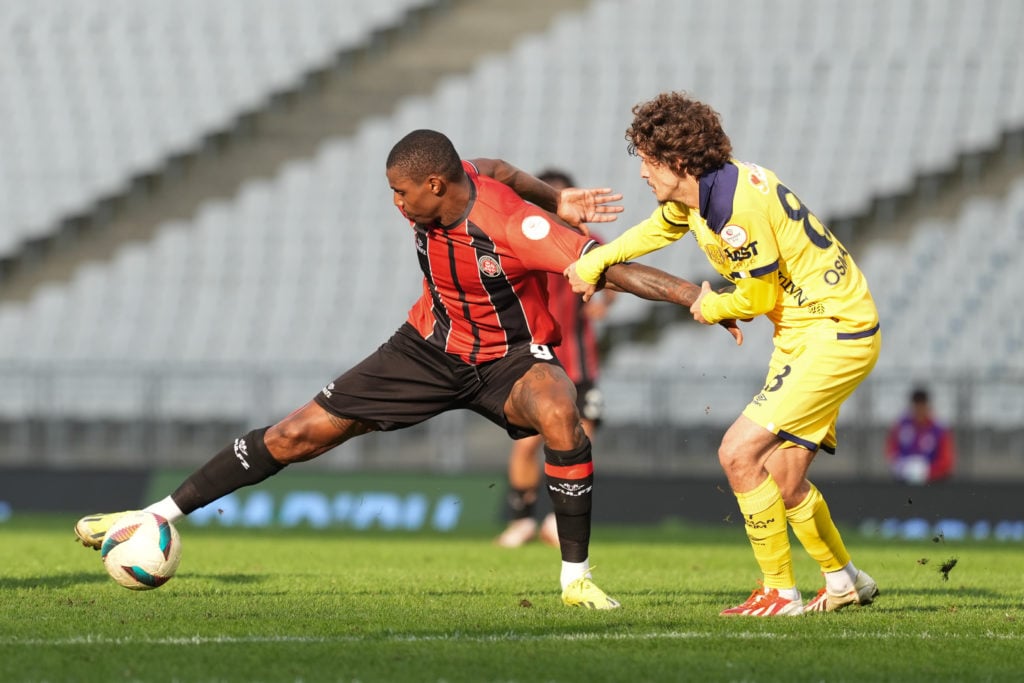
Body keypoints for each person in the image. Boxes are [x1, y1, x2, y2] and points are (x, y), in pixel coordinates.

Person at [75, 129, 739, 610]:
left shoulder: (511, 228)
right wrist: (557, 194)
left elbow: (606, 262)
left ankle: (575, 580)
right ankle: (149, 513)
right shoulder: (461, 174)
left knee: (561, 412)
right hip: (425, 346)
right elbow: (500, 164)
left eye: (400, 194)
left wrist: (693, 295)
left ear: (434, 185)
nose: (395, 205)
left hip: (508, 360)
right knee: (295, 433)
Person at [567, 92, 881, 616]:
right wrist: (600, 258)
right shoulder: (704, 193)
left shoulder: (736, 209)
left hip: (835, 333)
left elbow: (754, 300)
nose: (642, 173)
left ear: (678, 162)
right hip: (805, 333)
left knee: (738, 453)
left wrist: (710, 304)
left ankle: (779, 592)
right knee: (783, 479)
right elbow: (657, 229)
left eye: (648, 160)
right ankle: (845, 580)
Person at [495, 169, 616, 549]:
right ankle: (520, 521)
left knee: (580, 442)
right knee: (528, 444)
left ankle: (553, 520)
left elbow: (615, 272)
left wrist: (605, 302)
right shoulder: (522, 238)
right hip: (539, 360)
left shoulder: (586, 240)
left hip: (581, 362)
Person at [885, 387, 956, 485]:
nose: (919, 411)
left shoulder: (939, 429)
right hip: (904, 481)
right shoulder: (901, 426)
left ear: (927, 406)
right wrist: (902, 467)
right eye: (916, 406)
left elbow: (946, 460)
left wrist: (928, 472)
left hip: (933, 483)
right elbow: (892, 452)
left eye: (922, 406)